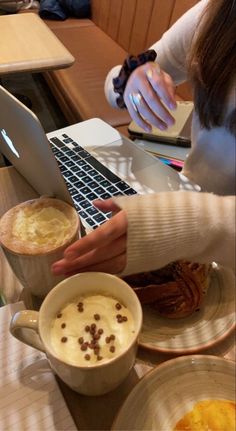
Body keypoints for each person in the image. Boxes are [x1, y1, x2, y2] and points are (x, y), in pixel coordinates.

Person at [52, 0, 235, 278]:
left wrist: (190, 222)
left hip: (202, 227)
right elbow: (115, 82)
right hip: (185, 200)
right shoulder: (215, 13)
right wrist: (133, 83)